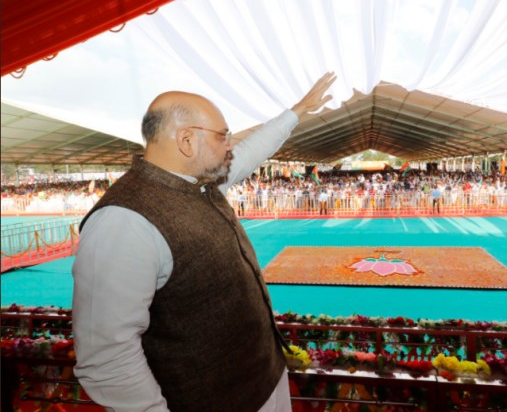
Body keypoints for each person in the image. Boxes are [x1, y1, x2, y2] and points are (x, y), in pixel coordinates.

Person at [72, 71, 337, 412]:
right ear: (186, 141)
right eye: (222, 136)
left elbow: (251, 152)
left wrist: (296, 112)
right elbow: (107, 357)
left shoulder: (199, 183)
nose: (230, 146)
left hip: (263, 381)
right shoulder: (124, 221)